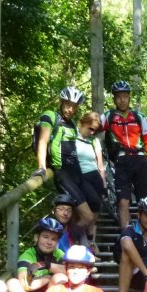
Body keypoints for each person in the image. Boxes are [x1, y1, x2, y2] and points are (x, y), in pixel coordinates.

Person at [34, 87, 97, 230]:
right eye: (68, 105)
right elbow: (43, 141)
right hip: (63, 174)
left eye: (75, 106)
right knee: (87, 216)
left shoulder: (72, 125)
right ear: (61, 102)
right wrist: (42, 167)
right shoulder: (51, 116)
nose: (71, 109)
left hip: (76, 173)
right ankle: (63, 241)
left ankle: (81, 239)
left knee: (95, 203)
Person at [101, 81, 147, 229]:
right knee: (123, 201)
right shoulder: (109, 116)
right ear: (114, 99)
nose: (122, 100)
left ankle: (144, 233)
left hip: (140, 159)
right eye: (119, 97)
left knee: (144, 201)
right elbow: (92, 128)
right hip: (121, 160)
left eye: (125, 96)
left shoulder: (139, 117)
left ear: (129, 97)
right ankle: (126, 234)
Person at [6, 217, 65, 292]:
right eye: (45, 237)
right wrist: (47, 277)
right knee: (12, 283)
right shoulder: (28, 256)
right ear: (37, 237)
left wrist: (46, 265)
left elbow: (69, 271)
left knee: (60, 278)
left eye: (53, 239)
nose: (49, 242)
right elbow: (25, 284)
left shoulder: (59, 254)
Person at [74, 111, 108, 251]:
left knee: (96, 208)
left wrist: (104, 182)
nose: (93, 132)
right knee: (89, 206)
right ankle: (73, 237)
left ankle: (90, 239)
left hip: (95, 176)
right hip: (81, 176)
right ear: (83, 123)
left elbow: (100, 163)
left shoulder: (94, 141)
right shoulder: (72, 136)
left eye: (95, 130)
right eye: (91, 129)